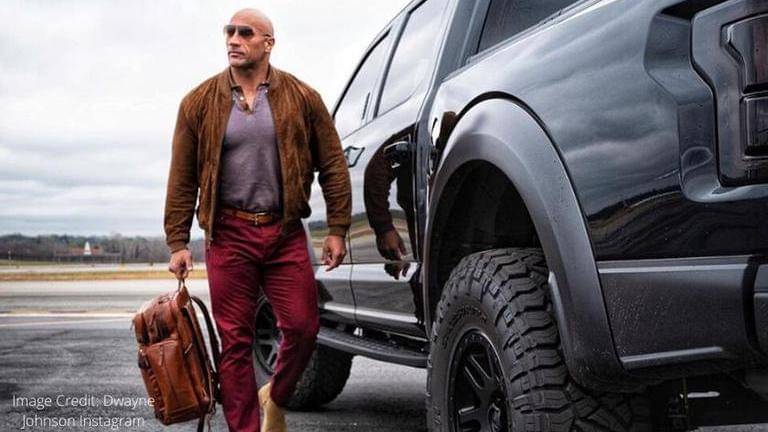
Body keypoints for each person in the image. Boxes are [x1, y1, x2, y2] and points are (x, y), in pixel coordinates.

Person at [164, 7, 352, 432]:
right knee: (235, 342)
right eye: (229, 32)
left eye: (245, 33)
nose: (233, 39)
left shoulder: (303, 98)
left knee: (303, 328)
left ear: (268, 43)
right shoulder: (198, 102)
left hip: (284, 232)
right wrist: (178, 241)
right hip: (228, 234)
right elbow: (182, 176)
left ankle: (276, 395)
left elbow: (333, 165)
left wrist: (338, 227)